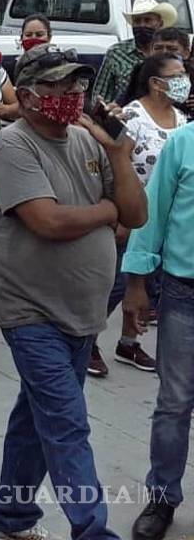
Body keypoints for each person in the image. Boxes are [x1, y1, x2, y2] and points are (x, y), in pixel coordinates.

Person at [0, 43, 147, 540]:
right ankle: (93, 530)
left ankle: (8, 519)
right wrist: (104, 212)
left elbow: (136, 214)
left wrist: (119, 154)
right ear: (28, 96)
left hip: (81, 312)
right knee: (67, 423)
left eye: (77, 83)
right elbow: (47, 220)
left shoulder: (88, 140)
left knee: (37, 418)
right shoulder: (13, 145)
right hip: (31, 313)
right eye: (56, 85)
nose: (71, 93)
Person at [87, 54, 188, 378]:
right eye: (176, 75)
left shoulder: (181, 118)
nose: (183, 81)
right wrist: (119, 216)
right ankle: (85, 339)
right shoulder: (133, 116)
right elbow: (114, 165)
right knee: (117, 285)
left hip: (168, 224)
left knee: (147, 287)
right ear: (155, 83)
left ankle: (128, 341)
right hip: (131, 220)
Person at [123, 119, 194, 539]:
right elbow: (154, 215)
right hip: (184, 292)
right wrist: (135, 283)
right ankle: (162, 497)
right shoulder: (183, 143)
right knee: (174, 401)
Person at [92, 0, 178, 106]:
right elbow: (99, 96)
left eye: (147, 20)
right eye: (137, 21)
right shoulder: (116, 53)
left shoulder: (168, 53)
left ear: (160, 24)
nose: (142, 25)